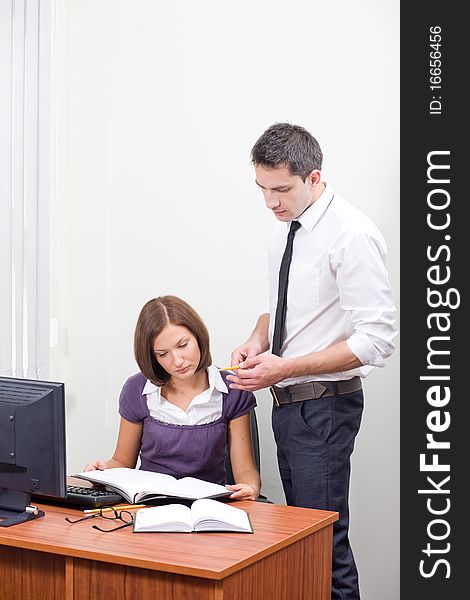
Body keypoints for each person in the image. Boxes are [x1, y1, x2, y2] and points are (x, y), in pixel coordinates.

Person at [227, 123, 398, 598]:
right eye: (262, 189)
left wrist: (287, 367)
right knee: (302, 540)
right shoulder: (285, 231)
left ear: (314, 177)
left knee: (323, 542)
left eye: (281, 189)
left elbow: (378, 339)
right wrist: (258, 341)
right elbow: (279, 306)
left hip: (323, 406)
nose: (270, 202)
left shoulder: (352, 234)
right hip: (289, 403)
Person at [85, 295, 260, 501]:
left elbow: (245, 470)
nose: (177, 361)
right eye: (162, 354)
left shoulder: (233, 389)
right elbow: (122, 461)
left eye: (183, 345)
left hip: (209, 506)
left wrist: (250, 487)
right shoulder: (137, 390)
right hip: (150, 505)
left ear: (198, 336)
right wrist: (103, 472)